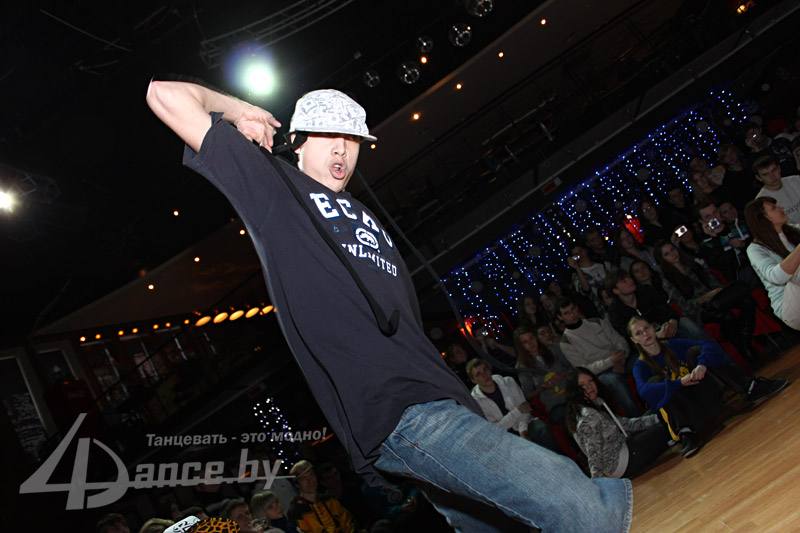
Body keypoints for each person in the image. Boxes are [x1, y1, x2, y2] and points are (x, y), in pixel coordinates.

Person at [146, 80, 630, 532]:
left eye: (352, 139)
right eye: (328, 135)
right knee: (582, 506)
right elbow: (163, 94)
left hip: (443, 398)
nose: (342, 148)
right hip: (396, 409)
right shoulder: (275, 192)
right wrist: (240, 110)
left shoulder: (365, 215)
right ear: (297, 142)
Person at [627, 317, 787, 456]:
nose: (645, 334)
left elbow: (709, 344)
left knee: (696, 352)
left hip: (708, 397)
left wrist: (702, 365)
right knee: (654, 382)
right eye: (639, 333)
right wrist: (679, 383)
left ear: (653, 327)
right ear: (634, 340)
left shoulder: (673, 344)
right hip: (686, 413)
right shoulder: (640, 366)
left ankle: (751, 388)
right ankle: (686, 433)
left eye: (646, 328)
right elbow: (644, 391)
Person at [654, 240, 759, 364]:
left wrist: (718, 291)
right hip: (699, 310)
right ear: (662, 259)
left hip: (717, 299)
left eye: (672, 249)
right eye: (667, 254)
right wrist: (704, 298)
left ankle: (743, 343)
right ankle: (744, 347)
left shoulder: (692, 263)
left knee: (747, 301)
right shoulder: (667, 280)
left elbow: (714, 282)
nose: (672, 254)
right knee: (726, 316)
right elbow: (685, 308)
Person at [564, 367, 668, 478]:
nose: (589, 386)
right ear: (574, 391)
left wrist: (657, 418)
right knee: (667, 426)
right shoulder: (588, 416)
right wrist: (600, 483)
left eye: (590, 380)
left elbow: (625, 424)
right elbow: (594, 455)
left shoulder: (594, 404)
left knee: (658, 412)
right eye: (582, 385)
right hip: (623, 461)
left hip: (624, 447)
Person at [557, 297, 642, 417]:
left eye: (573, 309)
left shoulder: (596, 322)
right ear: (560, 317)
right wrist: (610, 361)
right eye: (567, 313)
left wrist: (620, 360)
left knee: (643, 358)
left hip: (620, 359)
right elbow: (584, 369)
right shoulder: (566, 342)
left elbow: (620, 341)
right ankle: (638, 418)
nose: (572, 314)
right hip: (599, 374)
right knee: (615, 381)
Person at [466, 358, 562, 454]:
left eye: (485, 369)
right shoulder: (475, 402)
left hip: (524, 423)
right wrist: (517, 411)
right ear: (473, 380)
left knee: (542, 429)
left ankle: (560, 460)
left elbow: (525, 409)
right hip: (503, 437)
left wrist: (523, 432)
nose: (484, 375)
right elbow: (494, 430)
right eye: (478, 374)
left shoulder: (508, 382)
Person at [745, 196, 800, 329]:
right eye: (774, 208)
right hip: (791, 308)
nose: (781, 208)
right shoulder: (755, 249)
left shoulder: (793, 230)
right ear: (763, 219)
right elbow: (776, 277)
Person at [513, 325, 570, 426]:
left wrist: (561, 375)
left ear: (536, 337)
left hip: (571, 391)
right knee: (563, 415)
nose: (530, 343)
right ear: (520, 346)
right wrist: (542, 388)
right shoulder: (522, 366)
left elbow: (572, 366)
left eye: (531, 338)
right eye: (525, 342)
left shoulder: (553, 348)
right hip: (555, 403)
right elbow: (528, 394)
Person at [288, 460, 356, 533]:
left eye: (311, 475)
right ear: (297, 485)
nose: (310, 481)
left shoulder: (329, 500)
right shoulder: (296, 511)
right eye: (303, 478)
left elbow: (348, 522)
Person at [753, 155, 800, 226]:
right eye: (766, 174)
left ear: (779, 168)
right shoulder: (761, 200)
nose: (772, 176)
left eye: (774, 170)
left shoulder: (796, 180)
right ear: (759, 178)